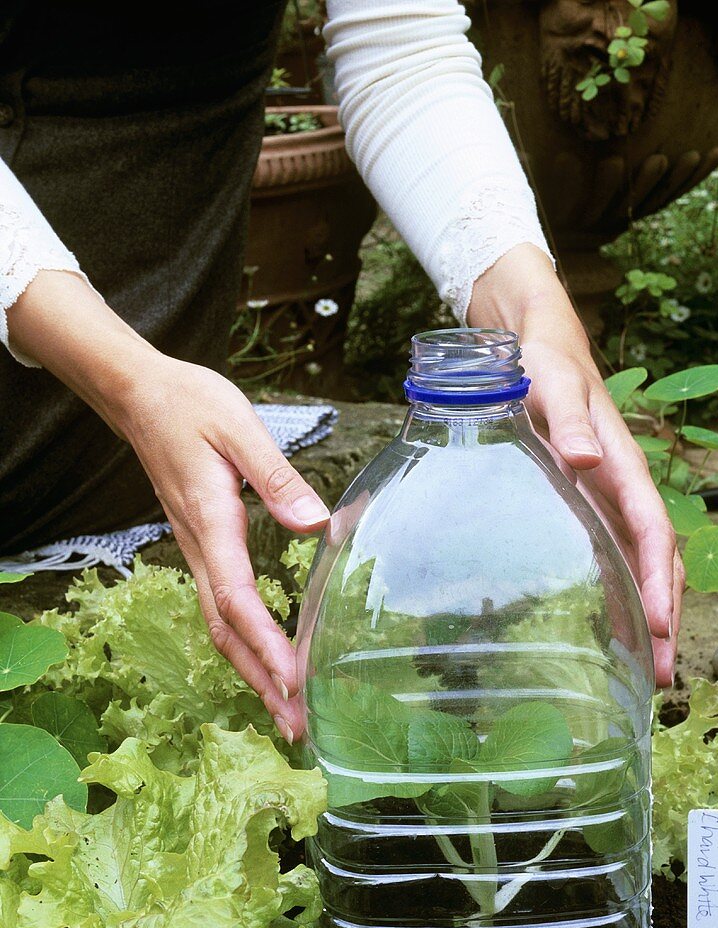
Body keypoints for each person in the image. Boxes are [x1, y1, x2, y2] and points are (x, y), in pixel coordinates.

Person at [0, 0, 682, 742]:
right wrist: (125, 378)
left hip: (101, 448)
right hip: (120, 386)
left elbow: (399, 49)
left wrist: (534, 312)